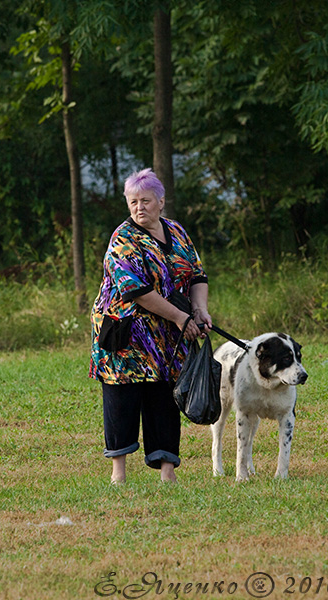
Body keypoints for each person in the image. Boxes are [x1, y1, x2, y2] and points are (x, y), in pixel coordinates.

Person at [89, 168, 212, 483]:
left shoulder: (177, 231)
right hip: (126, 332)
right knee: (122, 398)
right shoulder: (123, 238)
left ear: (161, 201)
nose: (138, 207)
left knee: (165, 395)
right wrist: (180, 317)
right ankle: (119, 474)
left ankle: (167, 471)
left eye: (145, 201)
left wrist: (199, 310)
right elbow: (137, 291)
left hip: (169, 333)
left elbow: (197, 274)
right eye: (132, 202)